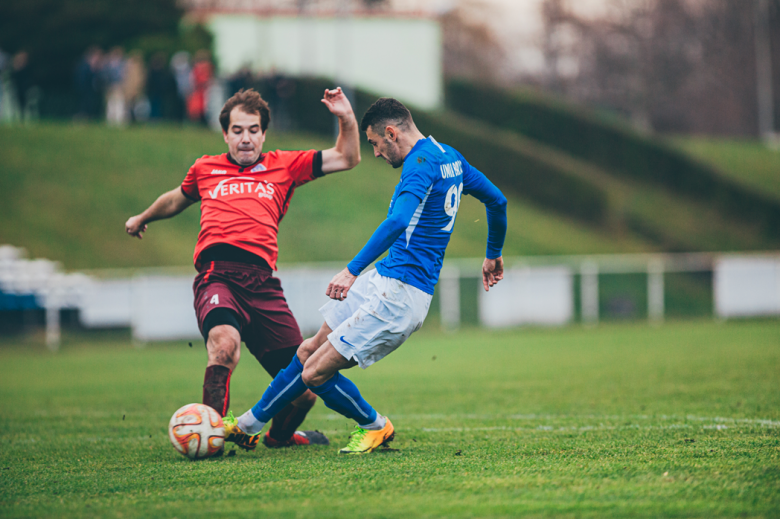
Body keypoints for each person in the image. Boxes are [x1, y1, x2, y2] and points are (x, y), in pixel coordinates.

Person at [226, 97, 508, 454]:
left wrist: (351, 270)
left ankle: (375, 425)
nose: (375, 153)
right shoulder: (448, 155)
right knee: (307, 350)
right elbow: (497, 201)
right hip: (384, 279)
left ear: (391, 133)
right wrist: (493, 254)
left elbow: (398, 221)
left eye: (374, 143)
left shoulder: (419, 164)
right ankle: (248, 426)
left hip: (402, 294)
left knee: (315, 373)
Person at [125, 87, 361, 449]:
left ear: (264, 133)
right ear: (225, 134)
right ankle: (210, 437)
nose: (246, 138)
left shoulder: (286, 164)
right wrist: (143, 217)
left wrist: (345, 116)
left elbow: (347, 157)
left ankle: (279, 437)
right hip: (217, 276)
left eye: (253, 130)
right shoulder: (205, 168)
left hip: (264, 286)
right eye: (237, 130)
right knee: (224, 344)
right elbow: (176, 198)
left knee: (304, 389)